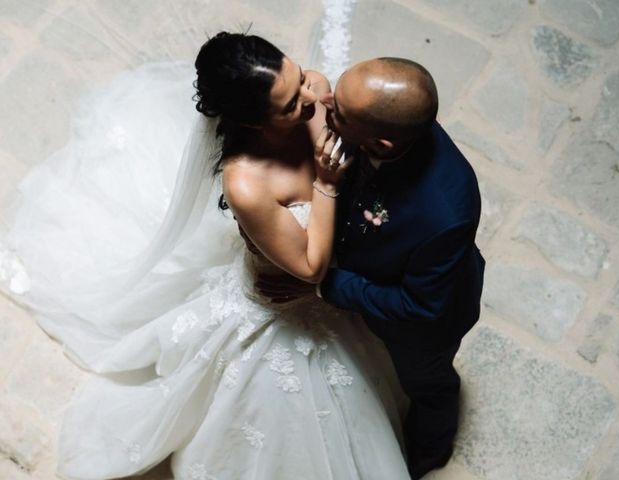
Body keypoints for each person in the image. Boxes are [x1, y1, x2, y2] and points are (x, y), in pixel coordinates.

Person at [0, 34, 412, 479]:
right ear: (253, 123)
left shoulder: (313, 88)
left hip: (327, 297)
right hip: (280, 309)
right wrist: (327, 185)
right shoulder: (246, 183)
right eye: (291, 103)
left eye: (299, 78)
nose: (313, 97)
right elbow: (310, 266)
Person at [317, 58, 486, 479]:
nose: (324, 105)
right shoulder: (381, 128)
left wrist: (332, 284)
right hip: (379, 264)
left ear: (383, 144)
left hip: (427, 323)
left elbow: (420, 306)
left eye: (336, 111)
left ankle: (430, 451)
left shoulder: (444, 212)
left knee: (428, 385)